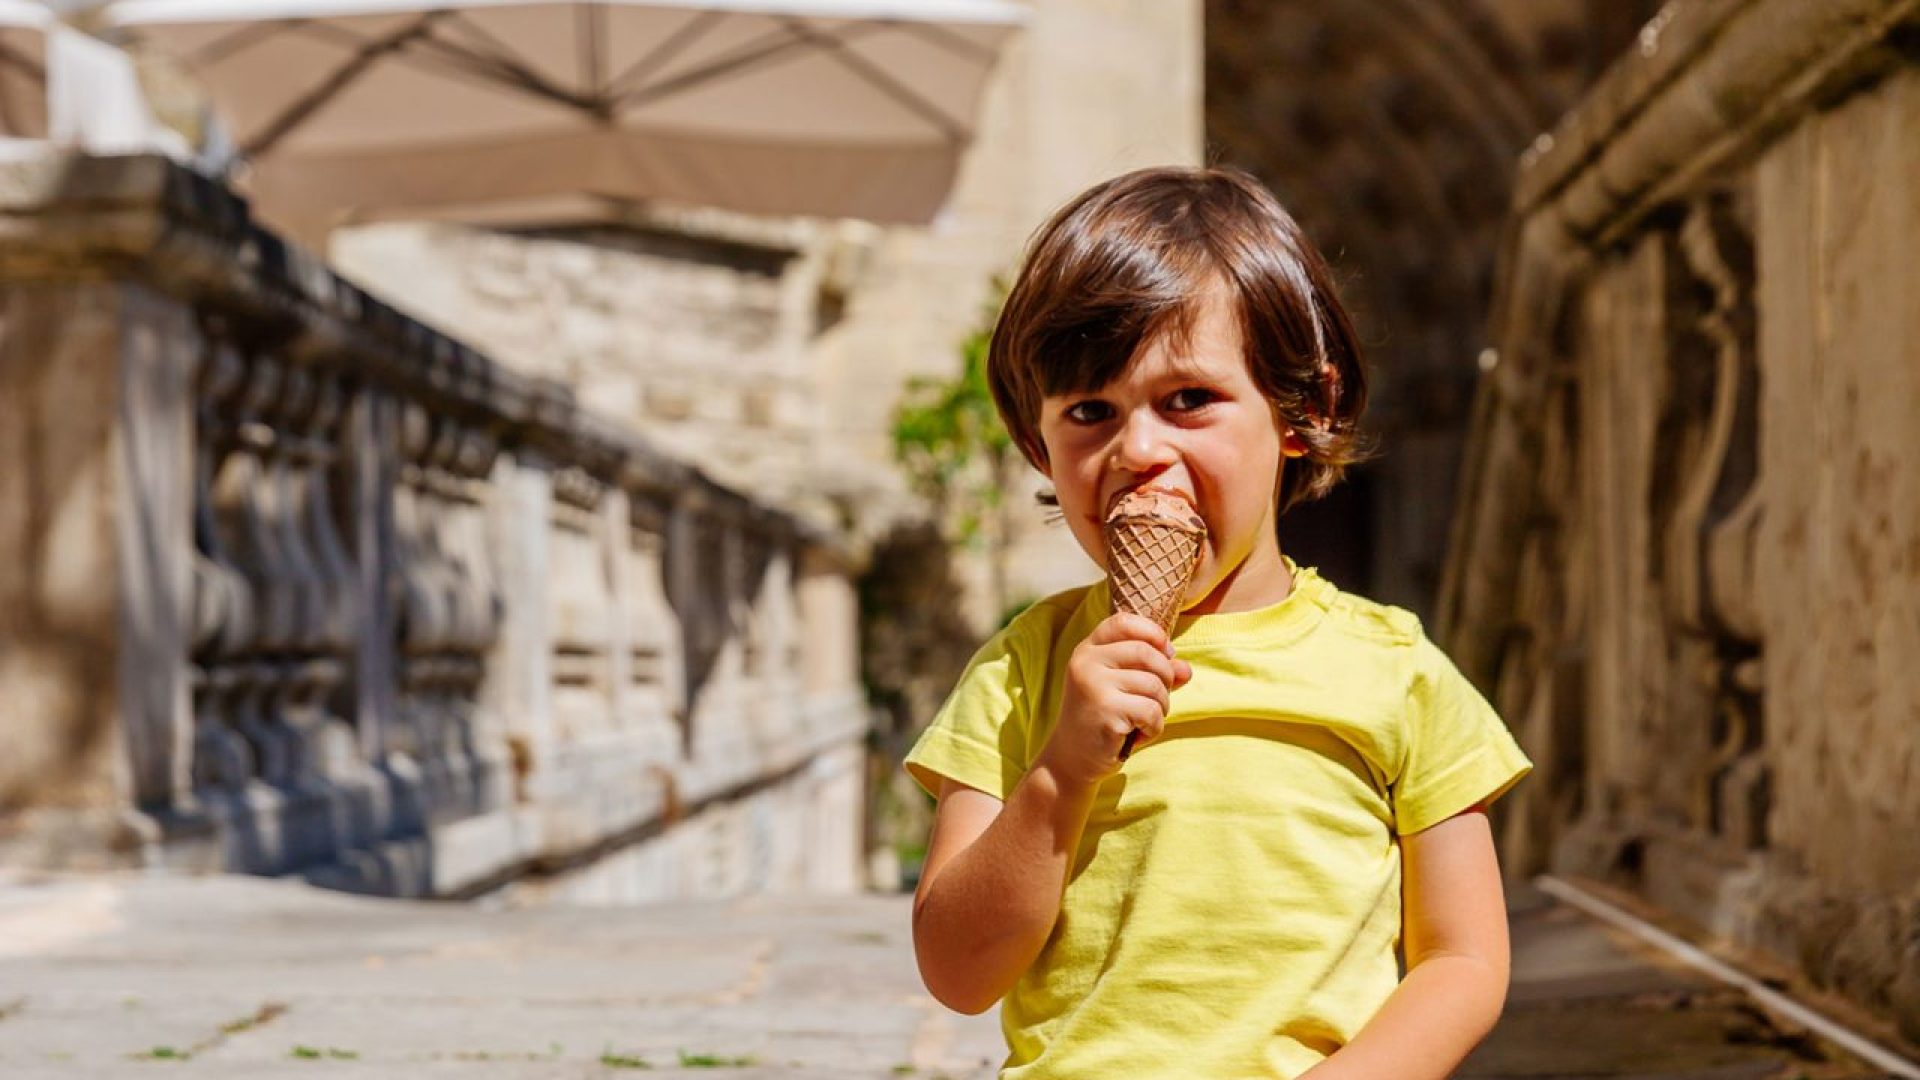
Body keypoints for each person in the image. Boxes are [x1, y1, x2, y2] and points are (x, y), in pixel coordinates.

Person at [904, 165, 1533, 1079]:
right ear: (1041, 445)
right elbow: (958, 973)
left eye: (1188, 400)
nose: (1138, 451)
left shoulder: (1393, 668)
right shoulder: (1026, 670)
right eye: (1090, 412)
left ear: (1301, 410)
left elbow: (1465, 960)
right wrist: (1063, 771)